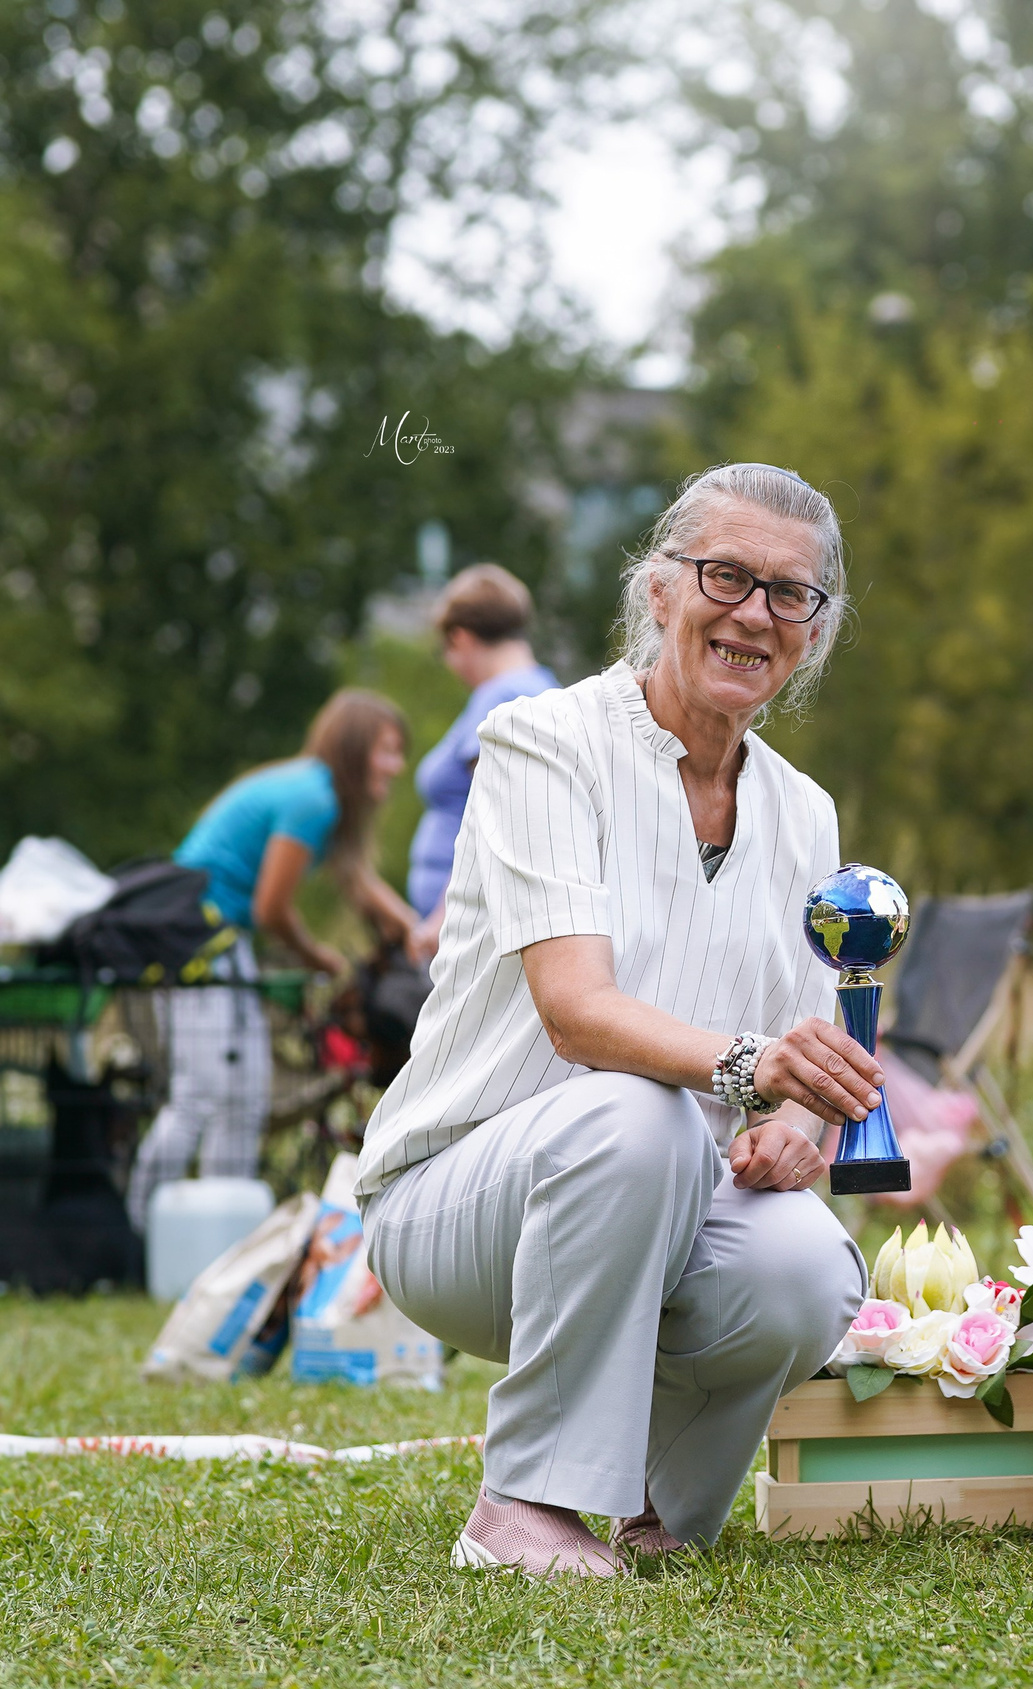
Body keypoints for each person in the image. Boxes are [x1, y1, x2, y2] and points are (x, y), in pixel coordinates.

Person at [354, 463, 879, 1576]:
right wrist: (754, 1066)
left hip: (660, 1196)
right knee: (634, 1116)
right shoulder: (544, 741)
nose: (753, 614)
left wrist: (803, 1128)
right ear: (657, 591)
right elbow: (577, 1015)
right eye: (725, 576)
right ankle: (523, 1509)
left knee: (811, 1270)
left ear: (815, 630)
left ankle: (658, 1508)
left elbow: (798, 1054)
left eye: (789, 594)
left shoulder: (807, 813)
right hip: (457, 1206)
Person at [126, 691, 416, 1228]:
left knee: (244, 1097)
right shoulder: (313, 799)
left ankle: (224, 1239)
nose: (397, 766)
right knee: (199, 1095)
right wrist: (321, 958)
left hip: (221, 946)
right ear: (355, 749)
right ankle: (137, 1231)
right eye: (387, 750)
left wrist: (414, 930)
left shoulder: (318, 794)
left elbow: (357, 878)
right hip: (194, 943)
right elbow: (272, 909)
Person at [404, 564, 558, 963]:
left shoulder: (501, 697)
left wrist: (440, 918)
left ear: (460, 638)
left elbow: (489, 816)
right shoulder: (544, 688)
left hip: (468, 926)